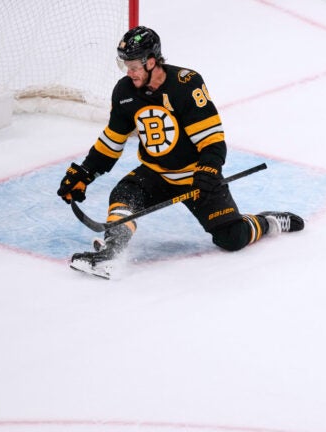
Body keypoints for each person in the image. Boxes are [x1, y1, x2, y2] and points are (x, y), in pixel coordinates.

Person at [57, 26, 304, 279]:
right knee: (124, 193)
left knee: (232, 238)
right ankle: (112, 250)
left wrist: (209, 170)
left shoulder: (186, 84)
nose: (128, 73)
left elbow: (212, 140)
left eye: (133, 66)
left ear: (151, 62)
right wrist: (85, 172)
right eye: (125, 66)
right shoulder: (124, 92)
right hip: (156, 174)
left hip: (195, 176)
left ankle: (268, 221)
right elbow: (112, 140)